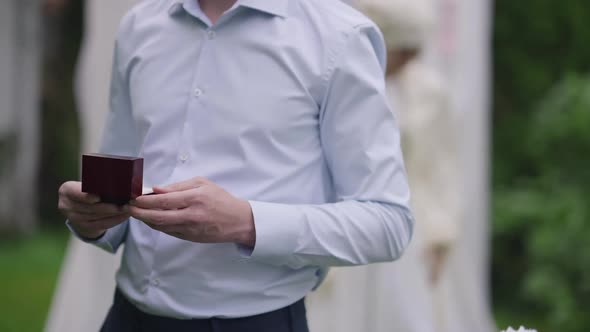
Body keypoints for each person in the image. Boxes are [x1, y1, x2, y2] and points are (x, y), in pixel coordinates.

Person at [56, 0, 414, 331]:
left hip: (255, 322)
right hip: (126, 316)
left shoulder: (340, 36)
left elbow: (387, 222)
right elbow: (119, 177)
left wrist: (247, 222)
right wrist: (92, 218)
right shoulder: (139, 25)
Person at [307, 0, 462, 331]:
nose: (406, 59)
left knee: (405, 311)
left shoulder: (427, 92)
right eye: (399, 50)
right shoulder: (339, 79)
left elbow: (440, 166)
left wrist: (441, 232)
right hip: (345, 216)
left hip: (407, 225)